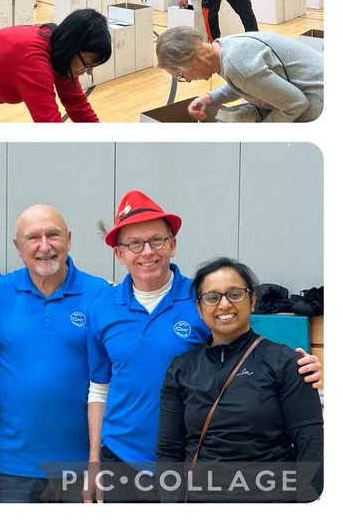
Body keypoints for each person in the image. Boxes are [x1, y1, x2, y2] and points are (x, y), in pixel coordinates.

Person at [84, 190, 321, 503]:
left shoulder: (205, 296)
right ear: (119, 253)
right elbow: (99, 388)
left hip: (189, 464)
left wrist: (303, 367)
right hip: (121, 460)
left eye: (156, 240)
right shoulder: (101, 308)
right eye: (134, 244)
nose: (147, 252)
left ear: (172, 244)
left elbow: (246, 347)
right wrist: (94, 459)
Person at [156, 258, 323, 502]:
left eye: (235, 294)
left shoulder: (285, 362)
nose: (224, 304)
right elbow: (168, 450)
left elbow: (309, 442)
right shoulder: (181, 368)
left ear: (252, 300)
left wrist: (302, 502)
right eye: (212, 297)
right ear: (199, 308)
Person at [0, 204, 111, 502]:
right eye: (33, 237)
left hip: (80, 463)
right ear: (18, 246)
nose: (45, 246)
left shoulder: (101, 294)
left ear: (69, 239)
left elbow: (112, 377)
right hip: (13, 464)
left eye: (53, 235)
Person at [155, 27, 323, 123]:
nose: (188, 80)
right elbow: (245, 83)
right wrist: (208, 99)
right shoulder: (226, 47)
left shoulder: (238, 66)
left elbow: (296, 104)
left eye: (182, 76)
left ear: (192, 61)